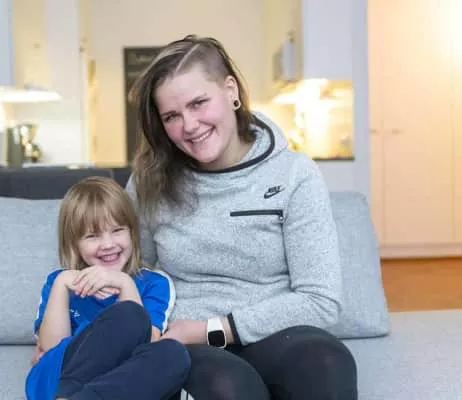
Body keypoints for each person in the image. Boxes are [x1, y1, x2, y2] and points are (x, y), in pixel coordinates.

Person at [126, 34, 358, 400]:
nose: (189, 125)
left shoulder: (294, 173)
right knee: (229, 387)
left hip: (276, 332)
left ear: (230, 90)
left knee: (327, 363)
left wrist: (214, 328)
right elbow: (131, 274)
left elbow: (321, 300)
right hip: (187, 341)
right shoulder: (148, 181)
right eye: (172, 116)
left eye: (198, 103)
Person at [25, 176, 190, 400]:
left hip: (113, 385)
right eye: (92, 236)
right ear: (74, 244)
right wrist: (62, 284)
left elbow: (146, 341)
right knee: (129, 314)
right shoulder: (60, 281)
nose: (108, 244)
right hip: (57, 381)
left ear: (132, 233)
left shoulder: (154, 283)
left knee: (174, 353)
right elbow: (50, 347)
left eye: (117, 230)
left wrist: (124, 283)